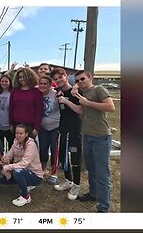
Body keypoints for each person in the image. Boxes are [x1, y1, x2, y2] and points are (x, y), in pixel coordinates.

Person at [71, 70, 115, 213]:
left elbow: (110, 106)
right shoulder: (83, 94)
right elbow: (81, 110)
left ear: (90, 77)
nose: (80, 82)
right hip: (87, 136)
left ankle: (103, 206)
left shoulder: (99, 89)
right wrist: (68, 99)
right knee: (91, 169)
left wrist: (87, 102)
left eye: (82, 79)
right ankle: (93, 194)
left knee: (102, 173)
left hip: (101, 137)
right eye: (77, 80)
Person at [51, 68, 83, 200]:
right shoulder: (58, 92)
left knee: (75, 158)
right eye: (56, 79)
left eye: (60, 77)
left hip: (74, 129)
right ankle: (68, 180)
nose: (58, 80)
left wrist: (66, 101)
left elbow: (80, 110)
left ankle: (77, 184)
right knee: (63, 157)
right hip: (62, 129)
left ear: (66, 76)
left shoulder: (76, 91)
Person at [0, 124, 44, 207]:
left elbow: (24, 164)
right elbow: (10, 154)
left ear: (26, 134)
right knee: (0, 180)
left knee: (17, 172)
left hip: (34, 175)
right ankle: (25, 184)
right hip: (20, 170)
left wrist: (7, 167)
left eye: (21, 133)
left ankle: (26, 197)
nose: (18, 136)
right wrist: (5, 159)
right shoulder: (15, 141)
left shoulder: (31, 145)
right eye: (16, 133)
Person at [37, 75, 60, 179]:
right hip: (42, 127)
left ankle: (54, 173)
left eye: (45, 84)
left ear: (50, 85)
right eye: (41, 83)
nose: (42, 86)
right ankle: (43, 169)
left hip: (55, 126)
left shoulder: (56, 94)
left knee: (55, 150)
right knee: (43, 148)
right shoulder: (36, 94)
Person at [9, 67, 43, 138]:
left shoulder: (36, 91)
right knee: (17, 148)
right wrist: (11, 124)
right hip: (17, 124)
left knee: (29, 148)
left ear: (29, 77)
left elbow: (39, 111)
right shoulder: (14, 91)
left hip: (30, 126)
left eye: (24, 76)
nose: (22, 79)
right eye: (20, 77)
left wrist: (37, 128)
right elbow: (11, 108)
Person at [0, 74, 15, 151]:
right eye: (2, 81)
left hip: (8, 126)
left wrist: (12, 124)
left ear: (10, 82)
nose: (4, 83)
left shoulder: (12, 94)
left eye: (6, 81)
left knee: (11, 147)